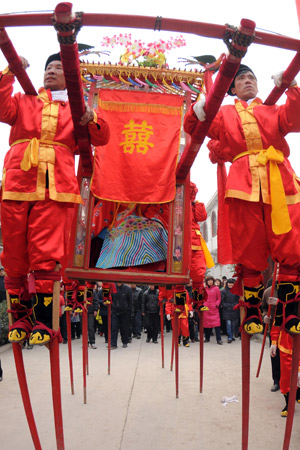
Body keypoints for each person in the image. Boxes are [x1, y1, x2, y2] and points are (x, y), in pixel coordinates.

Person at [0, 50, 110, 346]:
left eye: (59, 67)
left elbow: (102, 137)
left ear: (71, 75)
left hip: (57, 184)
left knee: (46, 252)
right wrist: (10, 72)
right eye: (49, 66)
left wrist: (91, 117)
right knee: (13, 252)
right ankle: (19, 315)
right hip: (18, 179)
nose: (51, 70)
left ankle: (45, 319)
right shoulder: (25, 99)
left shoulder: (77, 108)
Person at [184, 64, 300, 337]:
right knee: (249, 247)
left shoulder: (273, 108)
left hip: (281, 181)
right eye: (242, 79)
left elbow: (295, 118)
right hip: (242, 185)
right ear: (232, 88)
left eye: (252, 78)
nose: (248, 81)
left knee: (291, 244)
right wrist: (198, 109)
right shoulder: (224, 114)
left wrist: (292, 88)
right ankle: (251, 310)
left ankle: (291, 310)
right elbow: (195, 128)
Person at [111, 283, 133, 349]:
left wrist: (129, 312)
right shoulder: (112, 288)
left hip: (124, 312)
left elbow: (130, 301)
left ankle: (125, 342)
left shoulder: (127, 289)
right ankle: (113, 344)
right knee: (114, 327)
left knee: (124, 328)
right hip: (115, 311)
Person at [203, 276, 222, 344]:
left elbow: (219, 298)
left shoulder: (216, 289)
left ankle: (219, 339)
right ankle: (207, 338)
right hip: (206, 309)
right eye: (209, 281)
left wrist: (216, 304)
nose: (210, 282)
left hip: (214, 309)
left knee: (217, 325)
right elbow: (202, 298)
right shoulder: (204, 289)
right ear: (207, 282)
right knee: (206, 325)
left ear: (213, 281)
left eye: (211, 280)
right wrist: (204, 304)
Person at [221, 278, 240, 343]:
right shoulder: (224, 291)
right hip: (227, 310)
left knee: (233, 325)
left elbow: (238, 300)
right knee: (228, 324)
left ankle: (232, 336)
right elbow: (222, 301)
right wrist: (226, 306)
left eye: (232, 283)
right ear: (227, 284)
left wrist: (235, 305)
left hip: (234, 309)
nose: (231, 284)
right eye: (229, 283)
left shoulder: (236, 291)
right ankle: (229, 337)